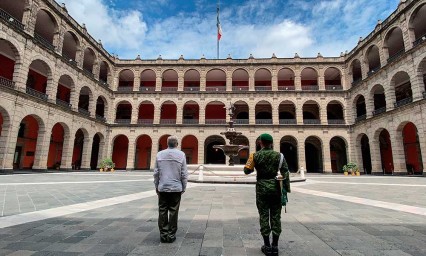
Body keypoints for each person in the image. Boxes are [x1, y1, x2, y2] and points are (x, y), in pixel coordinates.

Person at [244, 133, 289, 256]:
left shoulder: (255, 155)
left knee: (264, 216)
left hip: (261, 189)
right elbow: (285, 172)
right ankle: (275, 246)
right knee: (275, 216)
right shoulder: (279, 156)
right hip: (276, 189)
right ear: (271, 143)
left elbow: (246, 171)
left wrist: (252, 162)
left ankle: (267, 246)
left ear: (260, 143)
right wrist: (286, 189)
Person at [153, 135, 188, 243]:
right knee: (174, 211)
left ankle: (163, 235)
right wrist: (184, 186)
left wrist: (157, 186)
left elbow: (156, 173)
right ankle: (171, 235)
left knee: (162, 211)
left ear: (167, 144)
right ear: (177, 144)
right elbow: (184, 174)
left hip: (163, 187)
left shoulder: (159, 154)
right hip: (176, 188)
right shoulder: (181, 154)